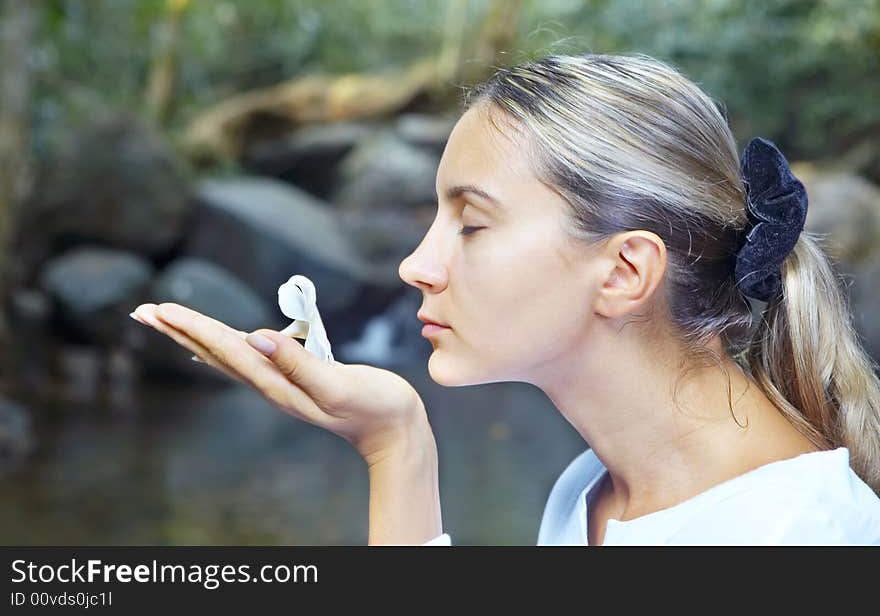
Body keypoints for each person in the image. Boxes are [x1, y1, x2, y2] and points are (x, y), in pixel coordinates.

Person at [132, 53, 880, 545]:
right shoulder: (597, 489)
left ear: (624, 271)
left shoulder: (801, 534)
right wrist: (396, 446)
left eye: (472, 222)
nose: (416, 265)